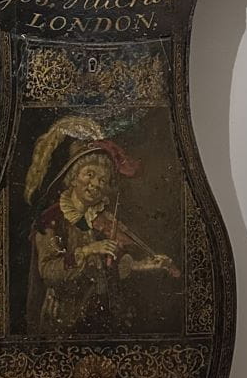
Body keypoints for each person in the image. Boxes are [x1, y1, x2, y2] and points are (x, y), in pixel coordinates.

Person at [24, 124, 178, 336]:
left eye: (103, 180)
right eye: (90, 174)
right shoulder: (51, 220)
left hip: (100, 318)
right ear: (73, 176)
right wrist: (88, 250)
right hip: (62, 320)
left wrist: (142, 265)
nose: (96, 184)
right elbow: (49, 272)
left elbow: (109, 269)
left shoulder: (102, 220)